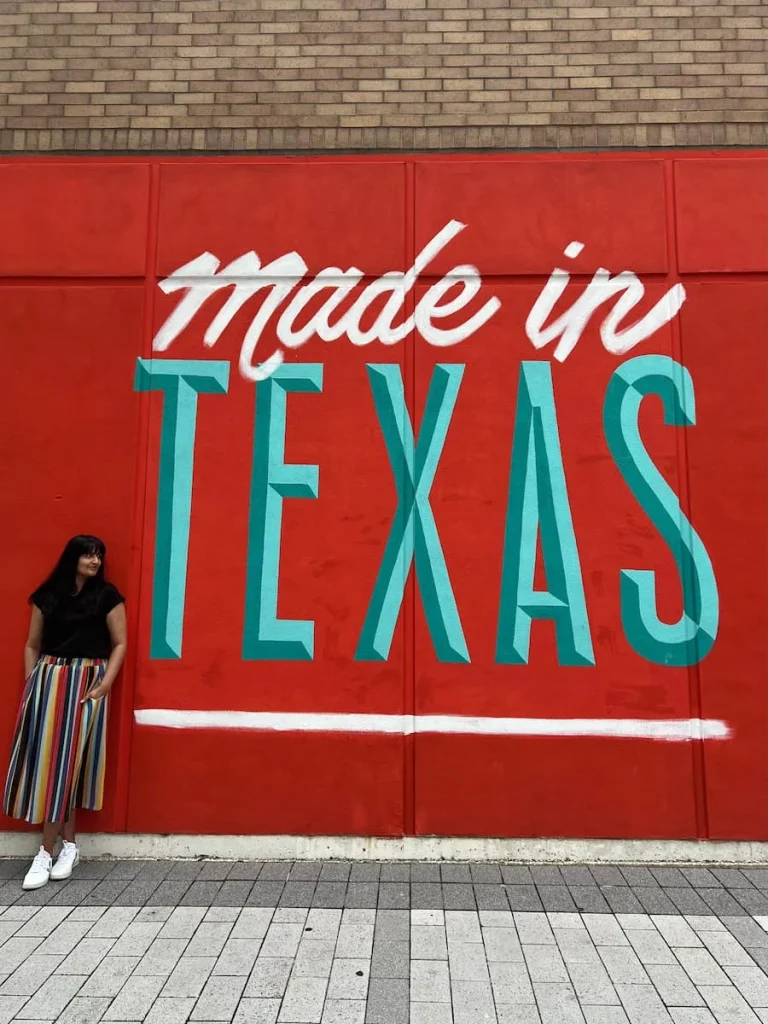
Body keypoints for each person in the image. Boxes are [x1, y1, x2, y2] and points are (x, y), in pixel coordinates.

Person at [3, 535, 127, 890]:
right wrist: (32, 683)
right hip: (48, 679)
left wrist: (105, 685)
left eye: (99, 555)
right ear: (72, 557)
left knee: (67, 763)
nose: (96, 561)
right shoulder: (48, 596)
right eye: (89, 555)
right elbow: (32, 644)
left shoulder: (107, 596)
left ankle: (45, 851)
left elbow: (120, 643)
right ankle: (69, 847)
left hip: (87, 682)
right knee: (52, 765)